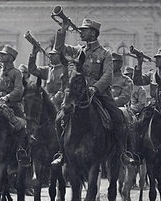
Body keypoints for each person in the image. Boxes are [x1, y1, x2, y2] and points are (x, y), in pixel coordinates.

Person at [52, 18, 125, 165]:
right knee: (59, 119)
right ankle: (62, 153)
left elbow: (108, 75)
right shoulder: (78, 51)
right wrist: (63, 30)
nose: (81, 32)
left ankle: (122, 152)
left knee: (118, 116)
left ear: (93, 33)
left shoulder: (105, 54)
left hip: (99, 93)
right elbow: (59, 49)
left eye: (84, 30)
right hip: (78, 94)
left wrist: (95, 88)